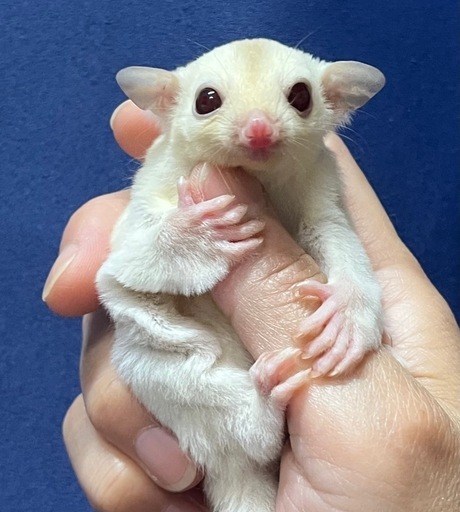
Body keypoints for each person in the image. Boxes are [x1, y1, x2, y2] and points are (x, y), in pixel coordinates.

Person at [43, 100, 460, 512]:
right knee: (143, 344)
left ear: (333, 103)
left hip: (302, 415)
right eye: (211, 102)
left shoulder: (315, 172)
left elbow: (332, 234)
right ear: (169, 103)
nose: (258, 127)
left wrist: (354, 297)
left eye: (296, 99)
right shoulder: (164, 168)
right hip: (213, 376)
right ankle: (240, 422)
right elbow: (129, 273)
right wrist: (174, 238)